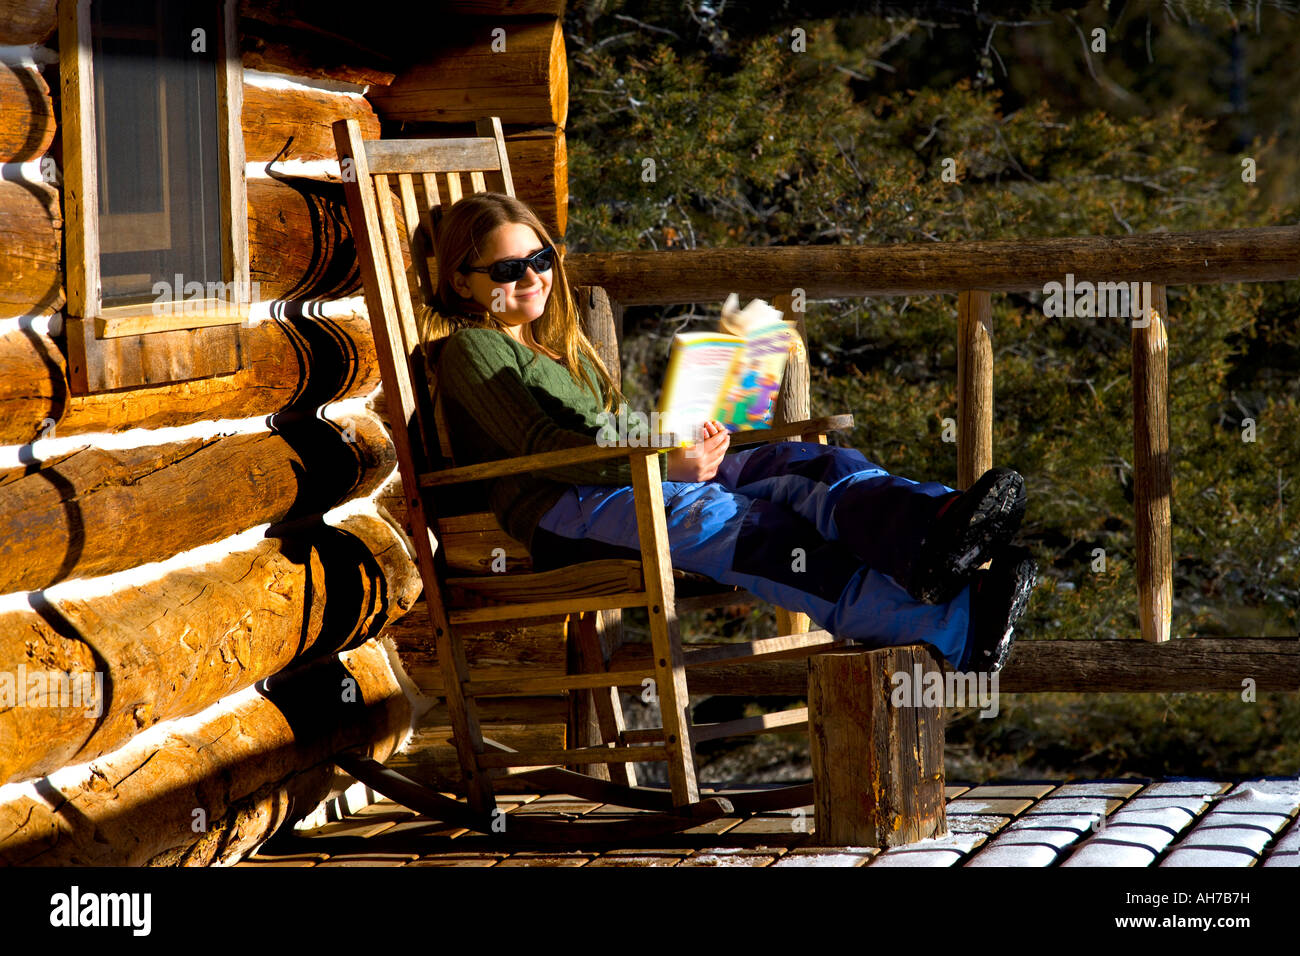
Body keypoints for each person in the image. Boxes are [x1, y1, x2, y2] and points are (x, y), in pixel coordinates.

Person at [423, 192, 1038, 674]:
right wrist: (666, 465)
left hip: (629, 476)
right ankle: (953, 625)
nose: (533, 277)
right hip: (565, 509)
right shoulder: (474, 349)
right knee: (767, 532)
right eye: (508, 269)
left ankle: (932, 531)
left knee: (808, 464)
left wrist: (680, 436)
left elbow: (613, 428)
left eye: (540, 260)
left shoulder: (561, 348)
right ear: (460, 281)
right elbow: (542, 450)